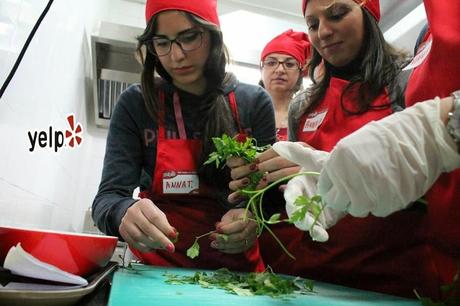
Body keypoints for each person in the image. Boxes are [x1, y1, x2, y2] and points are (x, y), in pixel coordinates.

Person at [228, 0, 443, 298]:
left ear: (368, 14)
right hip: (309, 280)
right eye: (313, 24)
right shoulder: (303, 106)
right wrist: (263, 184)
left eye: (337, 14)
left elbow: (436, 188)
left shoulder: (405, 85)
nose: (324, 32)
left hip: (389, 282)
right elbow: (296, 191)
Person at [92, 0, 277, 272]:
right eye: (162, 43)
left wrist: (253, 217)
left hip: (238, 278)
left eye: (188, 37)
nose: (176, 56)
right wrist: (123, 212)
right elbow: (107, 198)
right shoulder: (137, 103)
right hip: (155, 273)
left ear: (213, 35)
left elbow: (271, 198)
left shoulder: (254, 103)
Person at [259, 29, 310, 141]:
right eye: (271, 63)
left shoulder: (308, 115)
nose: (280, 70)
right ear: (261, 69)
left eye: (289, 64)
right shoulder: (245, 110)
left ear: (300, 72)